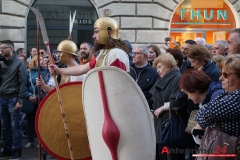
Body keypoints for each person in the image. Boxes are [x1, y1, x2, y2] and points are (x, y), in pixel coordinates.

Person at [49, 17, 130, 75]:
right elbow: (81, 68)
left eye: (97, 32)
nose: (93, 36)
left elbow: (117, 84)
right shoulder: (104, 54)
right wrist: (59, 70)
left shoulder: (116, 54)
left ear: (108, 33)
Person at [149, 53, 186, 160]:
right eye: (157, 68)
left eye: (160, 67)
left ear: (169, 66)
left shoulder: (178, 78)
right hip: (161, 124)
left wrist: (163, 108)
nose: (158, 71)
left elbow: (179, 100)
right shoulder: (163, 79)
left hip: (170, 126)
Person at [0, 40, 27, 159]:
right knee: (5, 126)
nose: (1, 50)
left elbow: (23, 82)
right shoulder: (1, 63)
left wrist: (20, 100)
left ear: (11, 49)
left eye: (3, 48)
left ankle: (17, 150)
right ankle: (7, 148)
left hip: (13, 98)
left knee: (16, 126)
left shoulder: (19, 63)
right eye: (0, 48)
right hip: (2, 98)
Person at [24, 55, 48, 149]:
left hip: (42, 99)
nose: (42, 61)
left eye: (42, 59)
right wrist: (28, 96)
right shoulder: (28, 73)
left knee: (41, 121)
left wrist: (39, 96)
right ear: (34, 61)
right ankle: (30, 141)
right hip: (31, 99)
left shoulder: (46, 72)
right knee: (30, 121)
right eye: (39, 60)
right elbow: (23, 86)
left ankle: (40, 141)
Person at [130, 45, 158, 110]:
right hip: (128, 106)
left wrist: (145, 103)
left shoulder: (153, 72)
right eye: (132, 53)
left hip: (144, 109)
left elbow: (155, 95)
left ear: (144, 56)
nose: (133, 55)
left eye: (136, 53)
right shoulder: (129, 69)